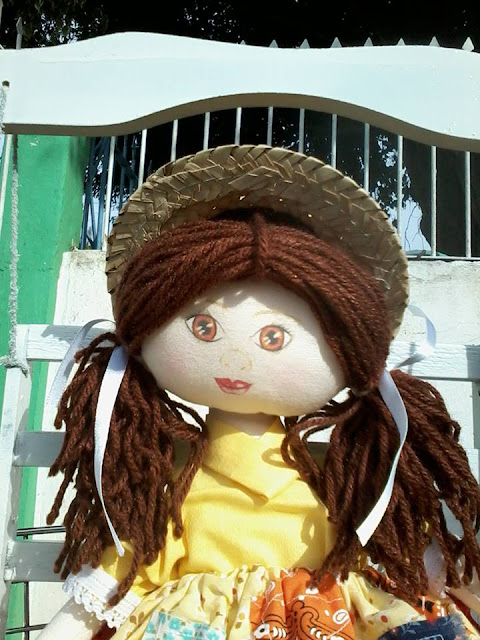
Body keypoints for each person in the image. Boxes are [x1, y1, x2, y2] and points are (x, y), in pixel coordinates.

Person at [38, 145, 480, 640]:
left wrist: (440, 568)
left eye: (274, 337)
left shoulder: (341, 479)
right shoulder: (169, 482)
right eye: (204, 328)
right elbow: (125, 562)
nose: (236, 362)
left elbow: (404, 542)